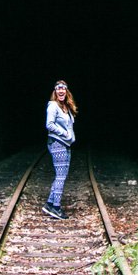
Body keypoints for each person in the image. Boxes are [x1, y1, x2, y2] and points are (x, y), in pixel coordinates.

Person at [43, 80, 77, 220]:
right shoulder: (53, 106)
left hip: (65, 144)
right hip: (57, 143)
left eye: (63, 88)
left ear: (66, 91)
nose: (61, 91)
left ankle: (49, 204)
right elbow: (49, 125)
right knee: (60, 177)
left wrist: (69, 137)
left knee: (61, 175)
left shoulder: (66, 107)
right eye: (58, 89)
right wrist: (64, 134)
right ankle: (56, 208)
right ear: (55, 91)